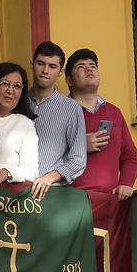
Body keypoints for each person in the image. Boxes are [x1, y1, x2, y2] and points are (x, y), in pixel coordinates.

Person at [66, 48, 137, 200]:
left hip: (110, 202)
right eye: (81, 67)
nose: (89, 69)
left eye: (93, 66)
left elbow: (130, 156)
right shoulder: (59, 112)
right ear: (69, 80)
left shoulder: (114, 113)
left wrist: (126, 183)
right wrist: (80, 146)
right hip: (71, 202)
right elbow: (43, 157)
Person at [25, 41, 86, 199]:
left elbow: (78, 159)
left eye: (52, 66)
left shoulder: (71, 108)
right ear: (32, 65)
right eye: (41, 64)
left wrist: (50, 177)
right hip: (15, 189)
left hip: (51, 194)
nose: (45, 70)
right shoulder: (17, 100)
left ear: (60, 72)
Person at [0, 62, 40, 188]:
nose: (10, 91)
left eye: (17, 86)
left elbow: (32, 171)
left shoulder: (24, 124)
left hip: (5, 198)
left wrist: (7, 173)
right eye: (4, 83)